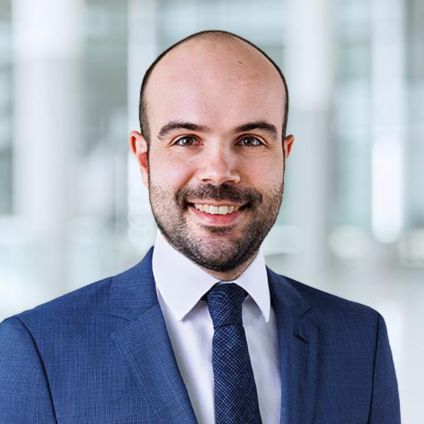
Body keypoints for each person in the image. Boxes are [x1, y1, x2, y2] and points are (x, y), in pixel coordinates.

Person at [0, 30, 400, 423]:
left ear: (284, 154)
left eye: (251, 140)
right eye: (186, 140)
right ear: (144, 158)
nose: (219, 172)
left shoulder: (360, 339)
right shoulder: (39, 350)